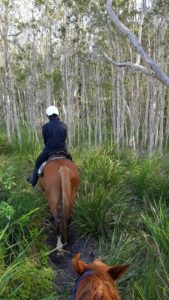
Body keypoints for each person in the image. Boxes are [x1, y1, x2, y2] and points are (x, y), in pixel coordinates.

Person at [27, 105, 72, 187]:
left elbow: (45, 141)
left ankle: (33, 180)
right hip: (63, 150)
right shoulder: (64, 125)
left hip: (49, 151)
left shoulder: (45, 127)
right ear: (57, 114)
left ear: (48, 115)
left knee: (37, 162)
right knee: (71, 162)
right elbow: (64, 138)